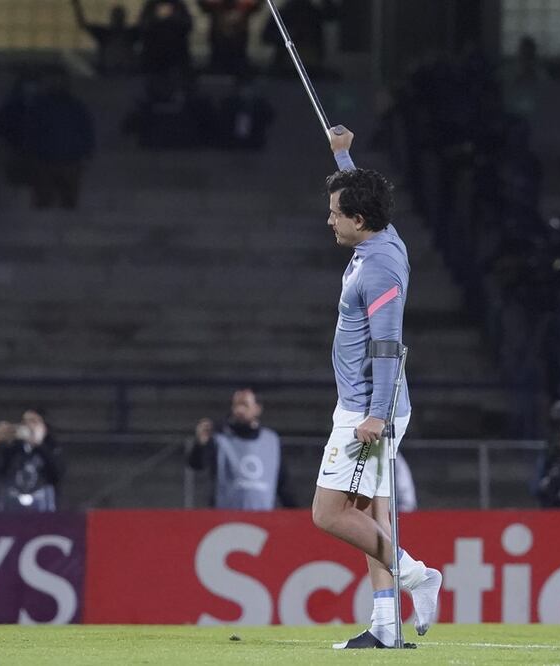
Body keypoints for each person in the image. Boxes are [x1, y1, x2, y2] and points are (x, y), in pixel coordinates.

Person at [312, 125, 442, 649]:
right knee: (370, 514)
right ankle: (386, 628)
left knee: (329, 514)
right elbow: (359, 190)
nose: (329, 219)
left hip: (369, 408)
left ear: (358, 221)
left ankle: (418, 576)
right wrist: (343, 155)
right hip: (371, 405)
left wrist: (375, 416)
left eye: (336, 213)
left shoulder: (381, 266)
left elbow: (388, 346)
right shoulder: (382, 236)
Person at [186, 388, 297, 510]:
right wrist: (201, 444)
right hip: (224, 518)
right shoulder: (219, 438)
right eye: (236, 405)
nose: (239, 410)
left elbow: (283, 484)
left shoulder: (271, 441)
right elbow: (196, 464)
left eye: (244, 404)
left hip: (262, 518)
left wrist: (298, 515)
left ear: (257, 408)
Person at [29, 68, 95, 209]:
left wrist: (86, 151)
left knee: (69, 204)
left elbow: (86, 129)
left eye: (61, 80)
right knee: (43, 204)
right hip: (45, 161)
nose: (58, 83)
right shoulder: (40, 106)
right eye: (54, 80)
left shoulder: (76, 106)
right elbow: (31, 131)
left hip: (71, 161)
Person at [0, 409, 63, 512]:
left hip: (44, 508)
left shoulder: (52, 448)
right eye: (24, 422)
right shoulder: (11, 450)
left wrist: (38, 446)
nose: (28, 426)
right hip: (11, 508)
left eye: (33, 422)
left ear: (44, 427)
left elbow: (57, 475)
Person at [71, 0, 141, 75]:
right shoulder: (104, 33)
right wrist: (76, 5)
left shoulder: (130, 34)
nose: (118, 20)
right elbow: (82, 24)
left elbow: (82, 24)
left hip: (122, 74)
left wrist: (76, 5)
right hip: (110, 74)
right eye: (117, 17)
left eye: (119, 17)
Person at [198, 0, 262, 77]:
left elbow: (257, 6)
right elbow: (203, 6)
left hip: (238, 49)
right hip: (219, 49)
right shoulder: (216, 6)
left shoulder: (244, 6)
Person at [137, 0, 194, 77]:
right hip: (154, 55)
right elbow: (143, 26)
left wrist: (173, 18)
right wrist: (157, 19)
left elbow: (187, 25)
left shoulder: (179, 5)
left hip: (176, 54)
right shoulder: (150, 6)